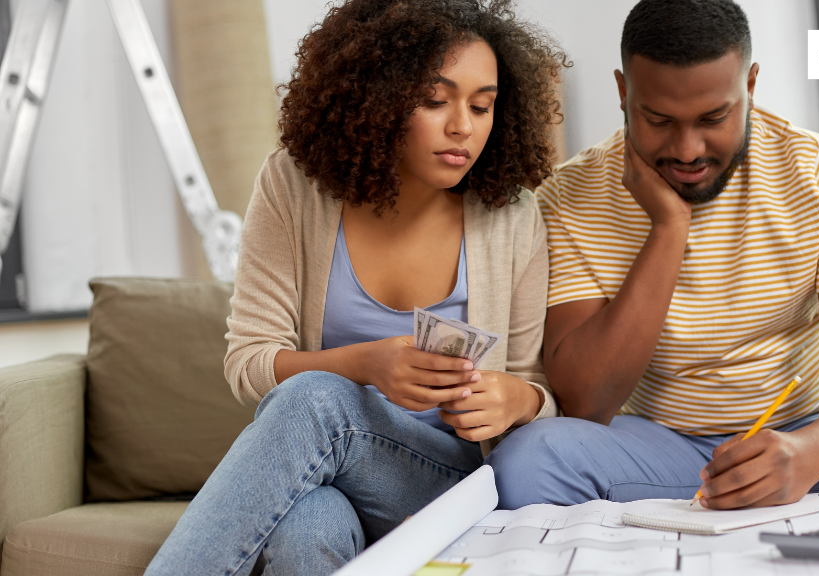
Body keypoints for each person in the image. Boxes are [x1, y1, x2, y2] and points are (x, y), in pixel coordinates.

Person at [485, 0, 819, 555]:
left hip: (805, 430)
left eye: (712, 118)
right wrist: (669, 228)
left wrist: (809, 452)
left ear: (750, 83)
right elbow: (585, 402)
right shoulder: (570, 196)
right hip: (653, 443)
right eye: (659, 121)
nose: (687, 150)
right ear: (624, 92)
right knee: (525, 464)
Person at [145, 1, 566, 574]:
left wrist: (518, 400)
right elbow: (249, 362)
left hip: (443, 483)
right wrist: (367, 365)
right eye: (435, 100)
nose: (462, 126)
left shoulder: (511, 215)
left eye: (482, 105)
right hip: (328, 472)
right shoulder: (294, 186)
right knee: (305, 527)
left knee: (316, 400)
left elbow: (537, 386)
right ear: (377, 97)